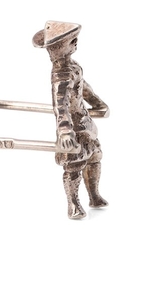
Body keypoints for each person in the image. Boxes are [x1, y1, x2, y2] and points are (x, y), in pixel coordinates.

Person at [33, 21, 109, 219]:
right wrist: (65, 131)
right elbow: (60, 105)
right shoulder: (61, 74)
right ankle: (73, 203)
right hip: (73, 129)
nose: (76, 42)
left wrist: (98, 103)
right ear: (58, 48)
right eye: (70, 40)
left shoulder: (73, 66)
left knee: (95, 157)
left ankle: (94, 195)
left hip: (85, 124)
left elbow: (83, 87)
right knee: (74, 166)